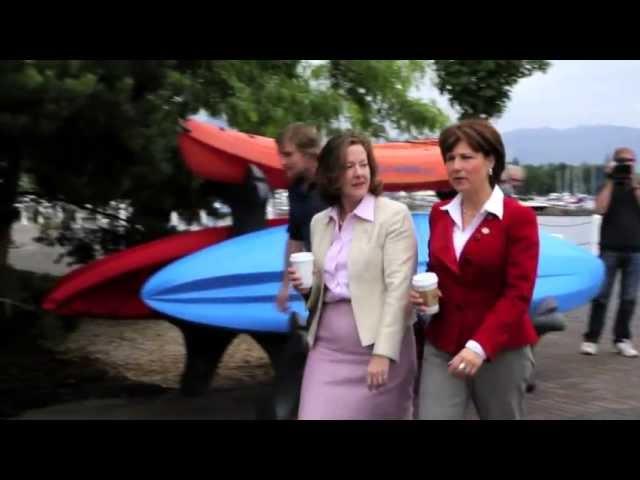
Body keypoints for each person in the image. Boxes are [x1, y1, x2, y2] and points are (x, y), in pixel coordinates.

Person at [410, 119, 539, 420]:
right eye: (450, 158)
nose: (456, 166)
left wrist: (479, 347)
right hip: (442, 345)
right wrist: (424, 296)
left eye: (466, 157)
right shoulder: (438, 215)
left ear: (490, 160)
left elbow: (518, 294)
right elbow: (438, 271)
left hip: (500, 352)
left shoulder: (518, 218)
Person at [288, 131, 418, 420]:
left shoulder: (394, 216)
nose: (359, 173)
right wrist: (305, 288)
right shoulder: (319, 223)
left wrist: (383, 353)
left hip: (380, 350)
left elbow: (399, 290)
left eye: (363, 164)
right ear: (332, 174)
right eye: (349, 167)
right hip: (327, 350)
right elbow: (321, 293)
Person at [580, 148, 640, 357]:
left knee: (629, 298)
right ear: (614, 162)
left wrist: (633, 183)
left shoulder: (636, 185)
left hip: (635, 250)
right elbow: (600, 208)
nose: (626, 164)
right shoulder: (608, 185)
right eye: (622, 161)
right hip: (610, 249)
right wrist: (610, 180)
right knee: (602, 296)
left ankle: (622, 339)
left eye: (630, 161)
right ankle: (591, 338)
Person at [275, 123, 327, 313]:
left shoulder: (332, 185)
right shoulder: (296, 189)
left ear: (308, 154)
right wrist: (285, 285)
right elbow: (295, 239)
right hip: (312, 286)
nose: (282, 162)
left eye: (288, 154)